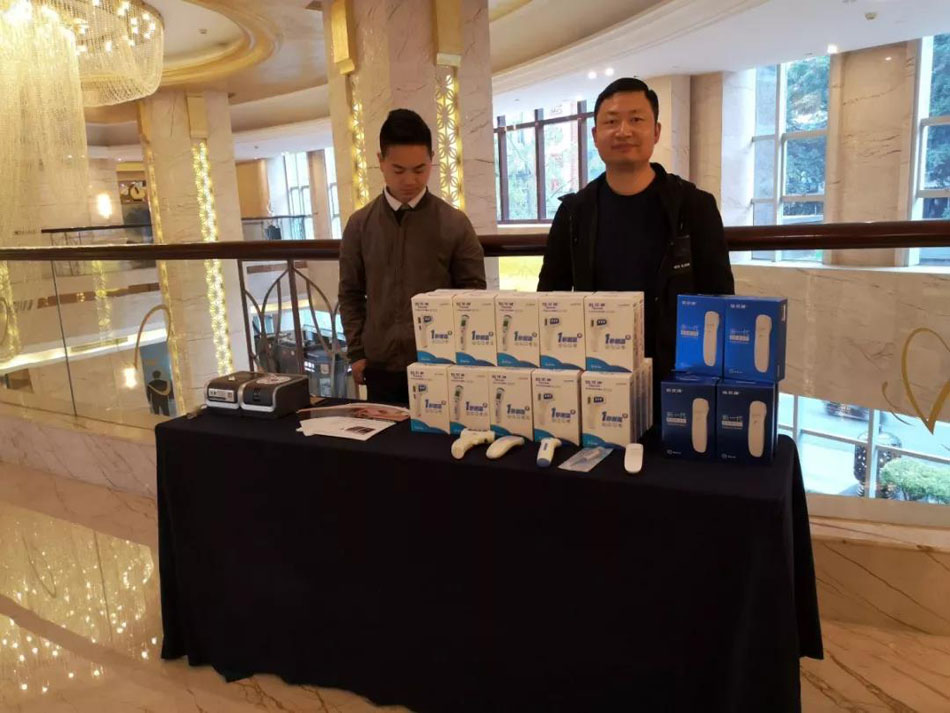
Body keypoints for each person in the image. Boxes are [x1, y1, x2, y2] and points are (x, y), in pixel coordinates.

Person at [538, 77, 735, 416]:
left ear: (656, 132)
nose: (623, 131)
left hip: (678, 378)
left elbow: (719, 295)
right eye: (611, 121)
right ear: (595, 135)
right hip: (599, 379)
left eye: (636, 119)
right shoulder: (574, 213)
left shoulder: (693, 206)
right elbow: (550, 297)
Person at [339, 109, 487, 404]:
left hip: (440, 365)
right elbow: (350, 293)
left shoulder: (454, 223)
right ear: (380, 161)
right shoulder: (360, 224)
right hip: (380, 365)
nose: (410, 180)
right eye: (398, 170)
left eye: (420, 169)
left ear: (432, 159)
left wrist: (463, 354)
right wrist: (356, 352)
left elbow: (473, 295)